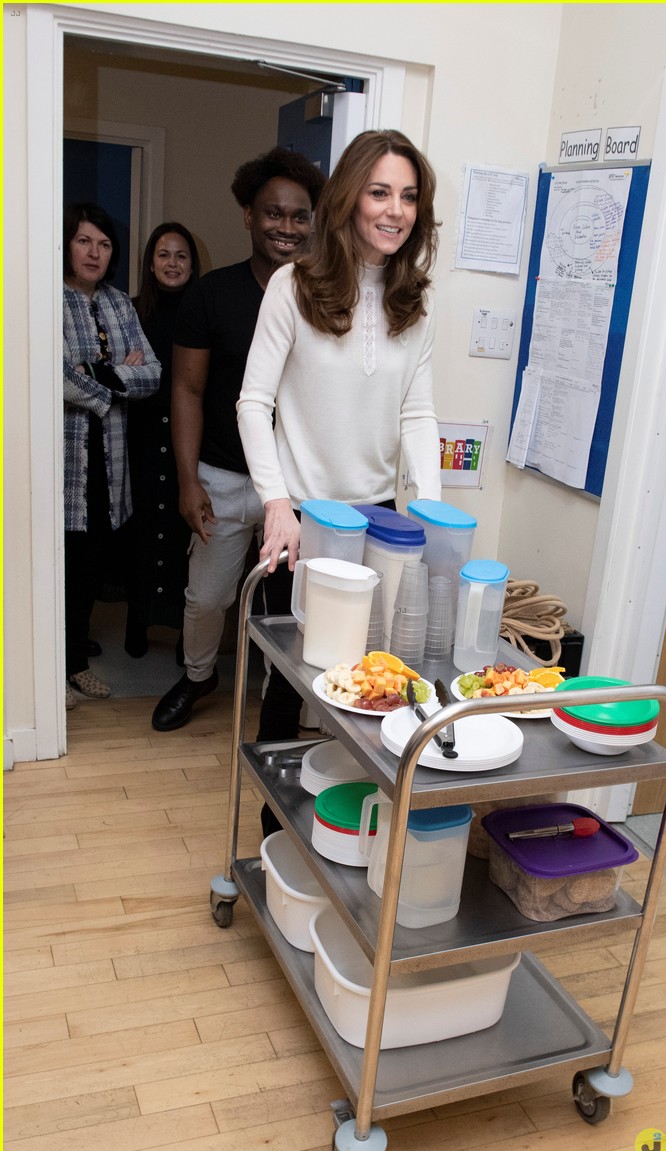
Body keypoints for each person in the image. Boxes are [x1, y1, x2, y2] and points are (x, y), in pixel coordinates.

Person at [236, 129, 442, 832]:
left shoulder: (411, 300)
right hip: (304, 517)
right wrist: (275, 504)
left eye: (408, 196)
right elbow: (251, 402)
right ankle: (276, 818)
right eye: (379, 192)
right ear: (349, 199)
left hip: (378, 516)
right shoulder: (294, 287)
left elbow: (417, 410)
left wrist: (435, 516)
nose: (395, 210)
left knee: (370, 675)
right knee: (293, 676)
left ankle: (347, 804)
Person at [151, 148, 326, 732]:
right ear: (248, 215)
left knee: (292, 608)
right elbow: (187, 390)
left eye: (300, 216)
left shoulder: (323, 298)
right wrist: (187, 480)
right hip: (224, 476)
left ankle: (284, 696)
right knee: (207, 599)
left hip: (297, 481)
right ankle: (198, 676)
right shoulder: (211, 295)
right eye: (273, 213)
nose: (287, 227)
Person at [63, 202, 161, 709]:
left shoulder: (121, 304)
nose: (94, 253)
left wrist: (94, 373)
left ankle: (72, 648)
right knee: (62, 560)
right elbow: (53, 376)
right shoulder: (47, 300)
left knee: (92, 560)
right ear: (66, 244)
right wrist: (115, 377)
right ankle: (66, 665)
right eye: (84, 241)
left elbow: (153, 374)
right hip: (65, 461)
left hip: (111, 459)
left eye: (103, 245)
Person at [127, 222, 201, 660]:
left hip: (186, 440)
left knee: (180, 536)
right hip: (139, 438)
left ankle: (182, 634)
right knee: (140, 534)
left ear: (192, 265)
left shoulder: (201, 311)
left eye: (181, 256)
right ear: (150, 264)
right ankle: (137, 621)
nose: (172, 263)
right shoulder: (130, 312)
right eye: (163, 255)